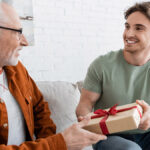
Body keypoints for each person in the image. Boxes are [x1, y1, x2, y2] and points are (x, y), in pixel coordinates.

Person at [0, 2, 107, 150]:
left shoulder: (17, 69)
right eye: (18, 32)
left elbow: (39, 107)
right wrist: (57, 144)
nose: (25, 41)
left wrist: (50, 142)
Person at [76, 1, 150, 150]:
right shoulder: (102, 65)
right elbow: (84, 105)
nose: (129, 34)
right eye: (127, 26)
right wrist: (86, 119)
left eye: (139, 28)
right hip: (109, 136)